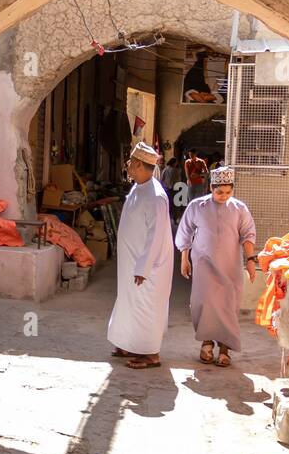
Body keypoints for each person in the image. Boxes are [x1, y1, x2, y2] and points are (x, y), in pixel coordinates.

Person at [174, 165, 258, 368]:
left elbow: (248, 234)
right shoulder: (197, 206)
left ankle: (225, 349)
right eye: (219, 192)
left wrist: (250, 260)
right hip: (203, 263)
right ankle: (207, 343)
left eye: (228, 192)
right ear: (211, 188)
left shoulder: (239, 208)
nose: (223, 196)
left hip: (230, 265)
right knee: (204, 303)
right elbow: (185, 232)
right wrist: (184, 259)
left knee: (228, 305)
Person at [107, 142, 175, 369]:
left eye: (130, 163)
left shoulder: (156, 196)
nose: (128, 166)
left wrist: (143, 268)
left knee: (146, 306)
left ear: (138, 164)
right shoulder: (139, 187)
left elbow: (156, 237)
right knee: (129, 303)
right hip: (132, 262)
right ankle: (127, 343)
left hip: (147, 266)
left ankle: (150, 354)